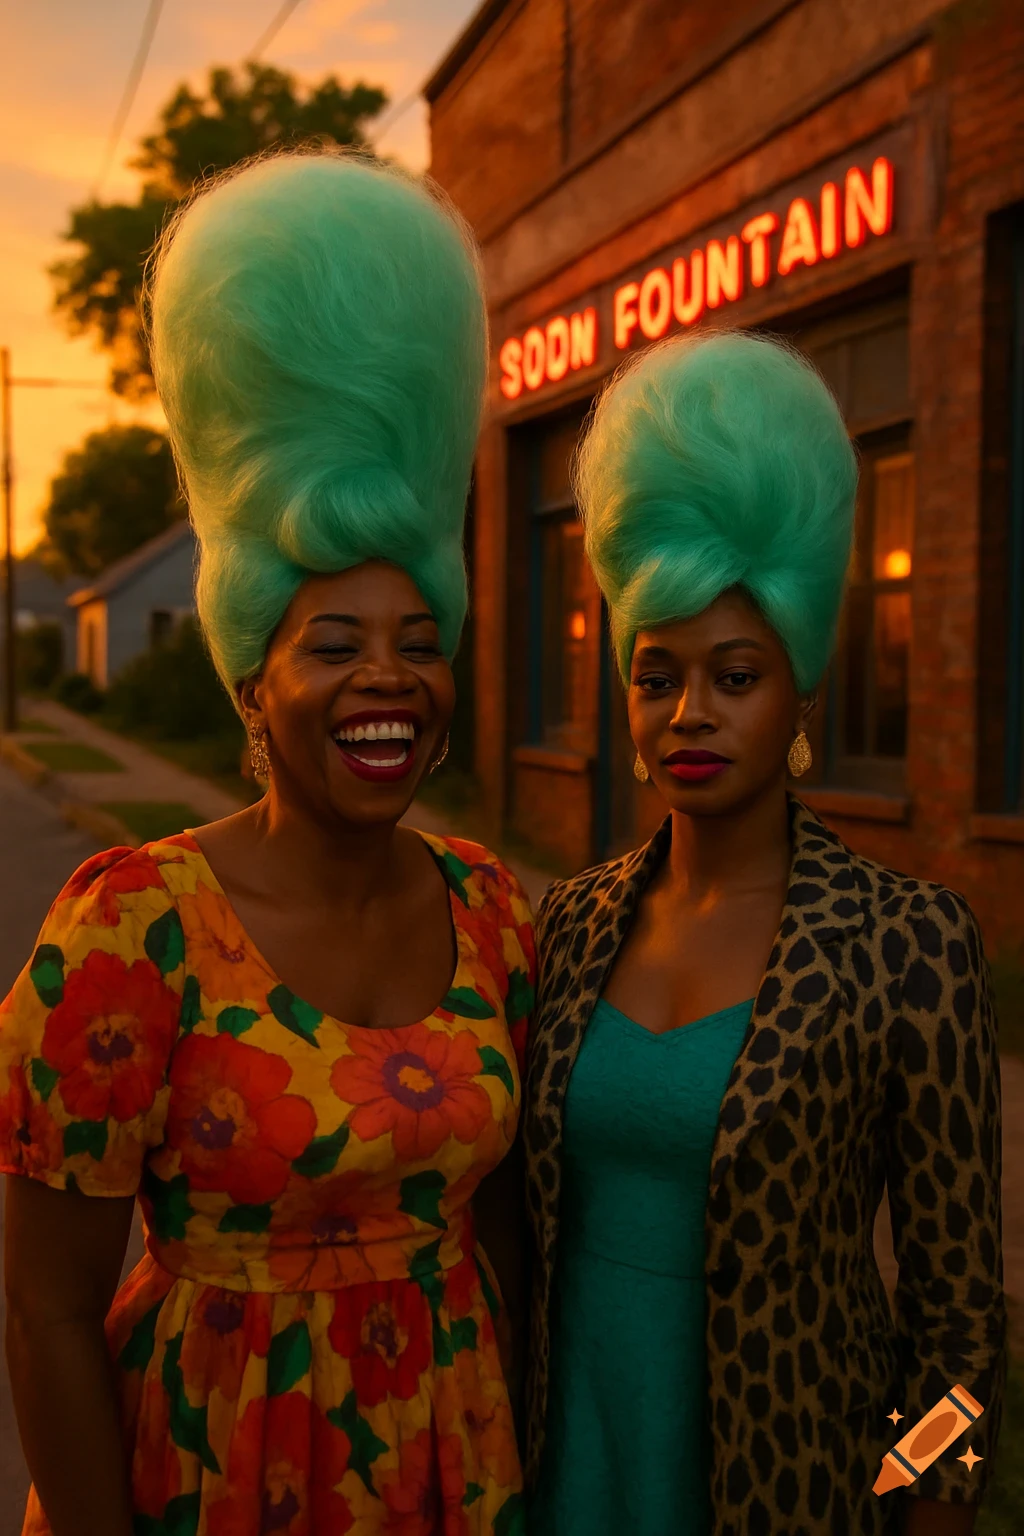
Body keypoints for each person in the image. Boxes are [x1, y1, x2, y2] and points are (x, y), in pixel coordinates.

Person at [1, 151, 534, 1536]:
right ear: (253, 678)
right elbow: (46, 1310)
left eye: (421, 642)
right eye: (335, 644)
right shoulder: (132, 927)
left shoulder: (494, 911)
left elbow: (527, 1247)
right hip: (210, 1473)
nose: (388, 678)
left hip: (451, 1477)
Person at [524, 331, 1005, 1536]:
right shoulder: (571, 924)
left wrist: (916, 1503)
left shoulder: (908, 947)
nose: (690, 712)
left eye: (735, 675)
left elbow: (959, 1327)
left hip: (788, 1494)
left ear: (803, 691)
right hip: (562, 1463)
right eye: (656, 675)